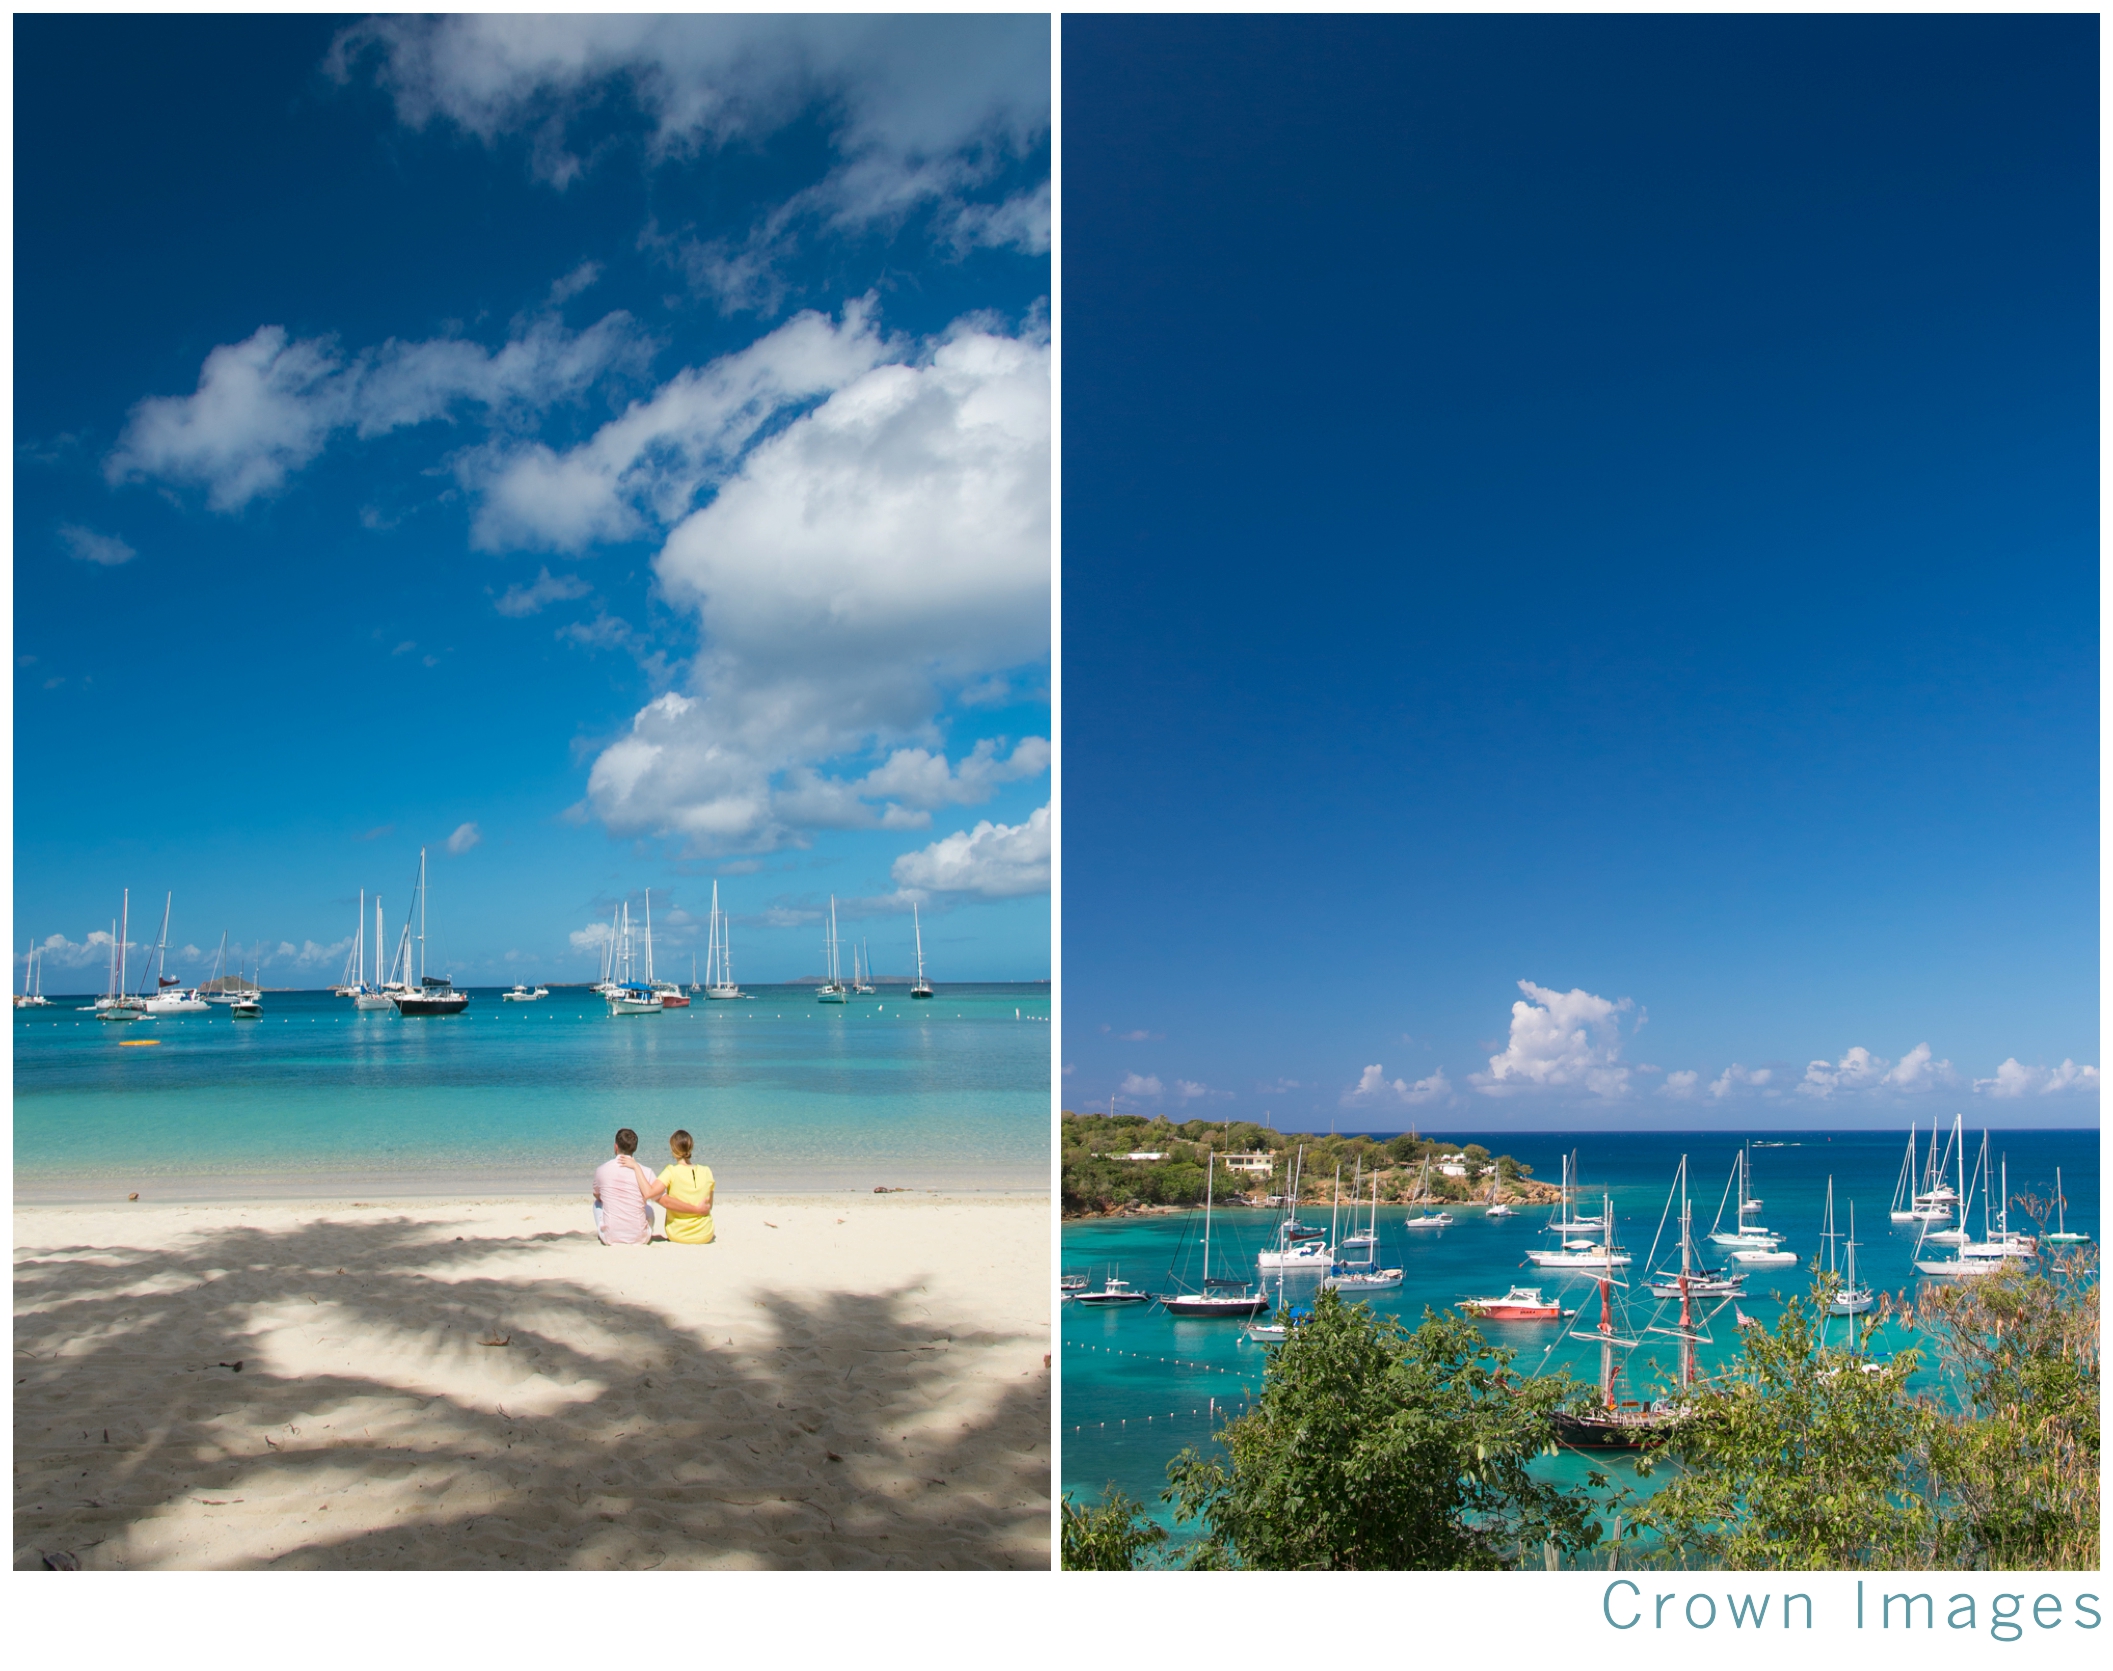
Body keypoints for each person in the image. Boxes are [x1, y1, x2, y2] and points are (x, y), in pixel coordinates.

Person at [619, 1129, 715, 1244]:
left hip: (679, 1234)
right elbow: (709, 1206)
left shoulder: (671, 1171)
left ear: (673, 1150)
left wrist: (636, 1167)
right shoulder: (707, 1171)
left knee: (657, 1197)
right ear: (691, 1147)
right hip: (705, 1234)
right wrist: (697, 1209)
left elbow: (648, 1193)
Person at [591, 1128, 657, 1245]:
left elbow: (597, 1195)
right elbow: (656, 1194)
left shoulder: (601, 1170)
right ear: (634, 1148)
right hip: (640, 1238)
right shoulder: (646, 1172)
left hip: (610, 1238)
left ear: (616, 1147)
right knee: (649, 1204)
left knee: (597, 1203)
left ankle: (608, 1228)